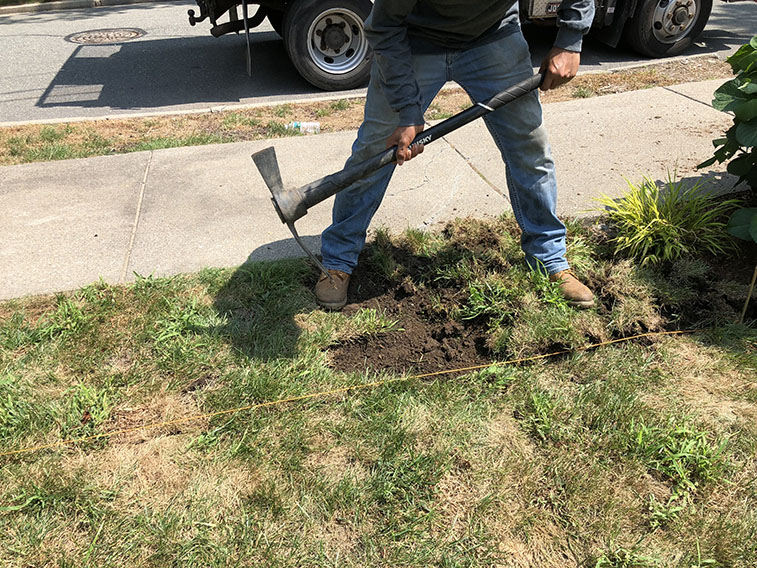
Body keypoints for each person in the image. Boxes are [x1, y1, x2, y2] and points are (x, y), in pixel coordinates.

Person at [315, 0, 596, 310]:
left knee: (530, 148)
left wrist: (570, 40)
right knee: (374, 151)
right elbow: (383, 26)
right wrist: (408, 111)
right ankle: (338, 259)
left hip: (493, 35)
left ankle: (549, 258)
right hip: (412, 39)